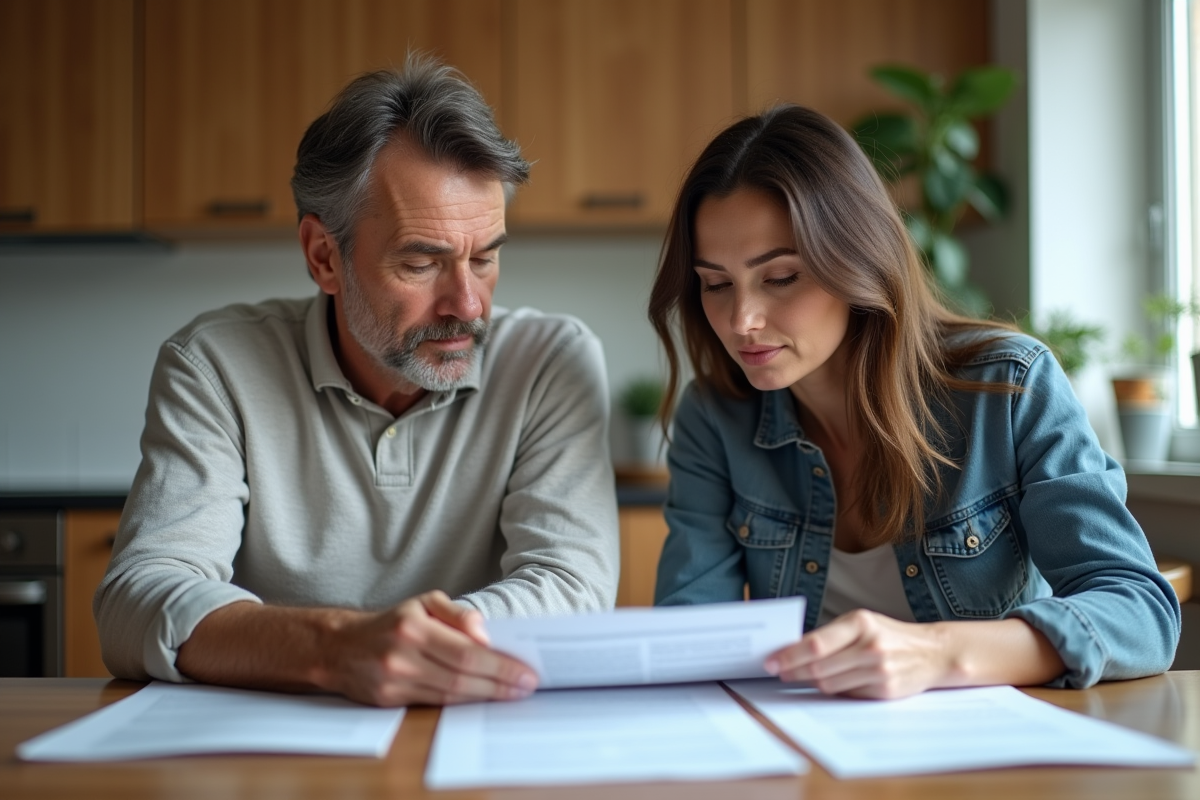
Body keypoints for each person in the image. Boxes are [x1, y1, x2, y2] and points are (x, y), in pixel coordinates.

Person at [95, 57, 619, 707]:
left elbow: (572, 587)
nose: (469, 303)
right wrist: (336, 647)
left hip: (479, 732)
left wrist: (412, 652)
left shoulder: (550, 363)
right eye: (422, 262)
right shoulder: (215, 365)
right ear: (324, 257)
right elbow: (138, 601)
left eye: (485, 258)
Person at [648, 104, 1180, 699]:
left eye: (780, 278)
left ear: (857, 259)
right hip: (813, 760)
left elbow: (1141, 613)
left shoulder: (1008, 386)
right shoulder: (715, 414)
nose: (741, 320)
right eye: (716, 284)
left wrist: (939, 653)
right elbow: (691, 635)